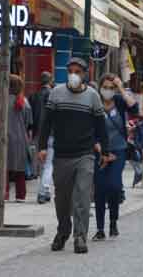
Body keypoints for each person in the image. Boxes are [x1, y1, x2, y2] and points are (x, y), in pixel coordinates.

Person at [38, 57, 109, 254]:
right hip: (61, 153)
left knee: (82, 196)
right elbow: (46, 122)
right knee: (62, 198)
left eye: (78, 71)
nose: (74, 75)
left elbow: (101, 127)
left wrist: (106, 150)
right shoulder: (56, 93)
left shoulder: (93, 97)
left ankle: (80, 236)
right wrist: (42, 146)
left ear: (85, 74)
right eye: (71, 71)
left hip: (85, 154)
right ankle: (63, 230)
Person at [92, 74, 137, 241]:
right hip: (99, 152)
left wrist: (121, 88)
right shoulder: (94, 102)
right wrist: (101, 151)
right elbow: (90, 130)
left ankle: (113, 221)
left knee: (114, 187)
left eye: (111, 88)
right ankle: (100, 228)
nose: (108, 91)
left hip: (118, 151)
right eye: (105, 87)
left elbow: (134, 108)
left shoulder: (119, 101)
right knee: (100, 190)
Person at [3, 75, 33, 202]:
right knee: (20, 169)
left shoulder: (1, 99)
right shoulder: (24, 102)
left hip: (3, 137)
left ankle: (4, 193)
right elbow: (28, 123)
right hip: (21, 138)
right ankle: (20, 195)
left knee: (4, 167)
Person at [31, 72, 54, 204]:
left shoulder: (34, 95)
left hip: (37, 133)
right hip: (50, 134)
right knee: (48, 165)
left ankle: (44, 191)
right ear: (50, 81)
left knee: (42, 164)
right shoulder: (53, 95)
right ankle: (43, 191)